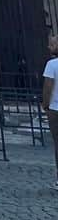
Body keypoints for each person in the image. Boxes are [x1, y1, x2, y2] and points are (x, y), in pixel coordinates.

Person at [42, 34, 58, 189]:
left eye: (52, 44)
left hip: (55, 109)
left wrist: (45, 105)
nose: (49, 47)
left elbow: (48, 87)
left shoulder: (52, 64)